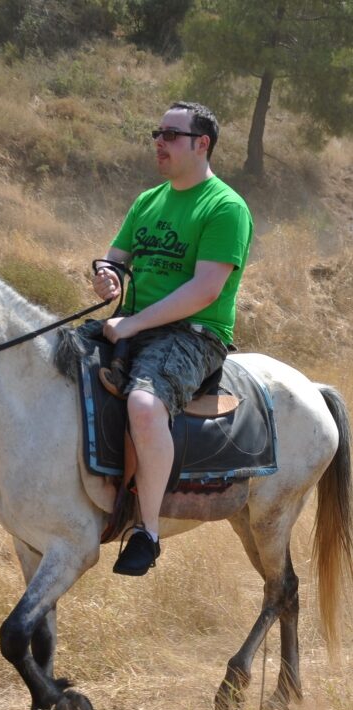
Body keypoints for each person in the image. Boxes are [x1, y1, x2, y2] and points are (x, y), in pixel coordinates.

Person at [92, 101, 253, 577]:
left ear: (201, 144)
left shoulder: (225, 207)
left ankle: (146, 531)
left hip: (194, 334)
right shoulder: (148, 200)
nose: (159, 142)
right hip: (133, 321)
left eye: (171, 134)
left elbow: (205, 290)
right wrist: (107, 278)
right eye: (157, 133)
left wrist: (133, 323)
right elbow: (114, 259)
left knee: (144, 405)